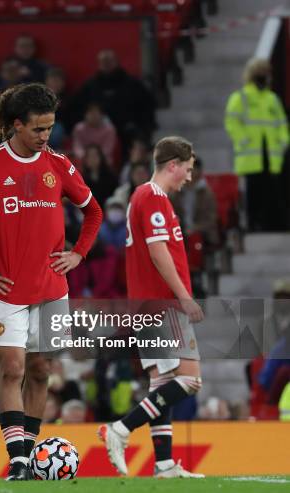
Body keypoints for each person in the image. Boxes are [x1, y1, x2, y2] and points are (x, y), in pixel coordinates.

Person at [0, 83, 102, 480]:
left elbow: (93, 211)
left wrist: (78, 252)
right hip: (6, 290)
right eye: (38, 130)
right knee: (12, 369)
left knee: (42, 370)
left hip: (52, 290)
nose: (46, 137)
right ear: (16, 125)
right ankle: (17, 460)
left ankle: (29, 454)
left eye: (50, 129)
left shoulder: (59, 165)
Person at [98, 136, 205, 479]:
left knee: (162, 383)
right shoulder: (153, 197)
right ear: (172, 164)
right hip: (161, 304)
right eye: (186, 170)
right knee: (191, 379)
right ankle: (120, 428)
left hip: (146, 304)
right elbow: (159, 252)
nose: (188, 178)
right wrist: (183, 297)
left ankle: (163, 464)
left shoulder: (141, 196)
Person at [224, 58, 289, 231]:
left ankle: (269, 224)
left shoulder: (272, 99)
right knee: (253, 194)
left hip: (271, 156)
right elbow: (231, 122)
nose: (264, 76)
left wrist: (283, 141)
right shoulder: (241, 98)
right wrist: (243, 139)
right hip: (251, 156)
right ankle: (253, 224)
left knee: (270, 193)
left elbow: (282, 123)